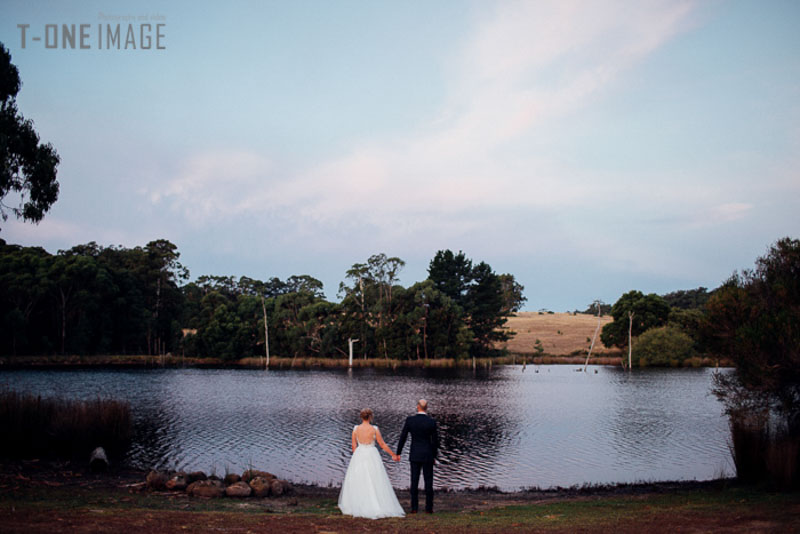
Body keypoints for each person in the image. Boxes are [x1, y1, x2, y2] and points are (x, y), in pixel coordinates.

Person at [338, 408, 405, 519]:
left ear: (361, 416)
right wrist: (393, 454)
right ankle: (375, 503)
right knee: (375, 478)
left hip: (359, 454)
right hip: (371, 454)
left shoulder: (356, 429)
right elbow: (382, 444)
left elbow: (353, 446)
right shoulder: (374, 429)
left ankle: (358, 503)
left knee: (359, 478)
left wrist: (357, 456)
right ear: (370, 417)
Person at [395, 399, 439, 514]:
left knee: (414, 481)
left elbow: (403, 437)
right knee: (428, 481)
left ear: (418, 407)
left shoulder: (410, 420)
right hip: (427, 454)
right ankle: (429, 508)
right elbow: (435, 442)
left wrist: (398, 452)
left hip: (415, 454)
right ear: (426, 408)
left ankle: (414, 508)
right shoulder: (431, 422)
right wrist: (434, 456)